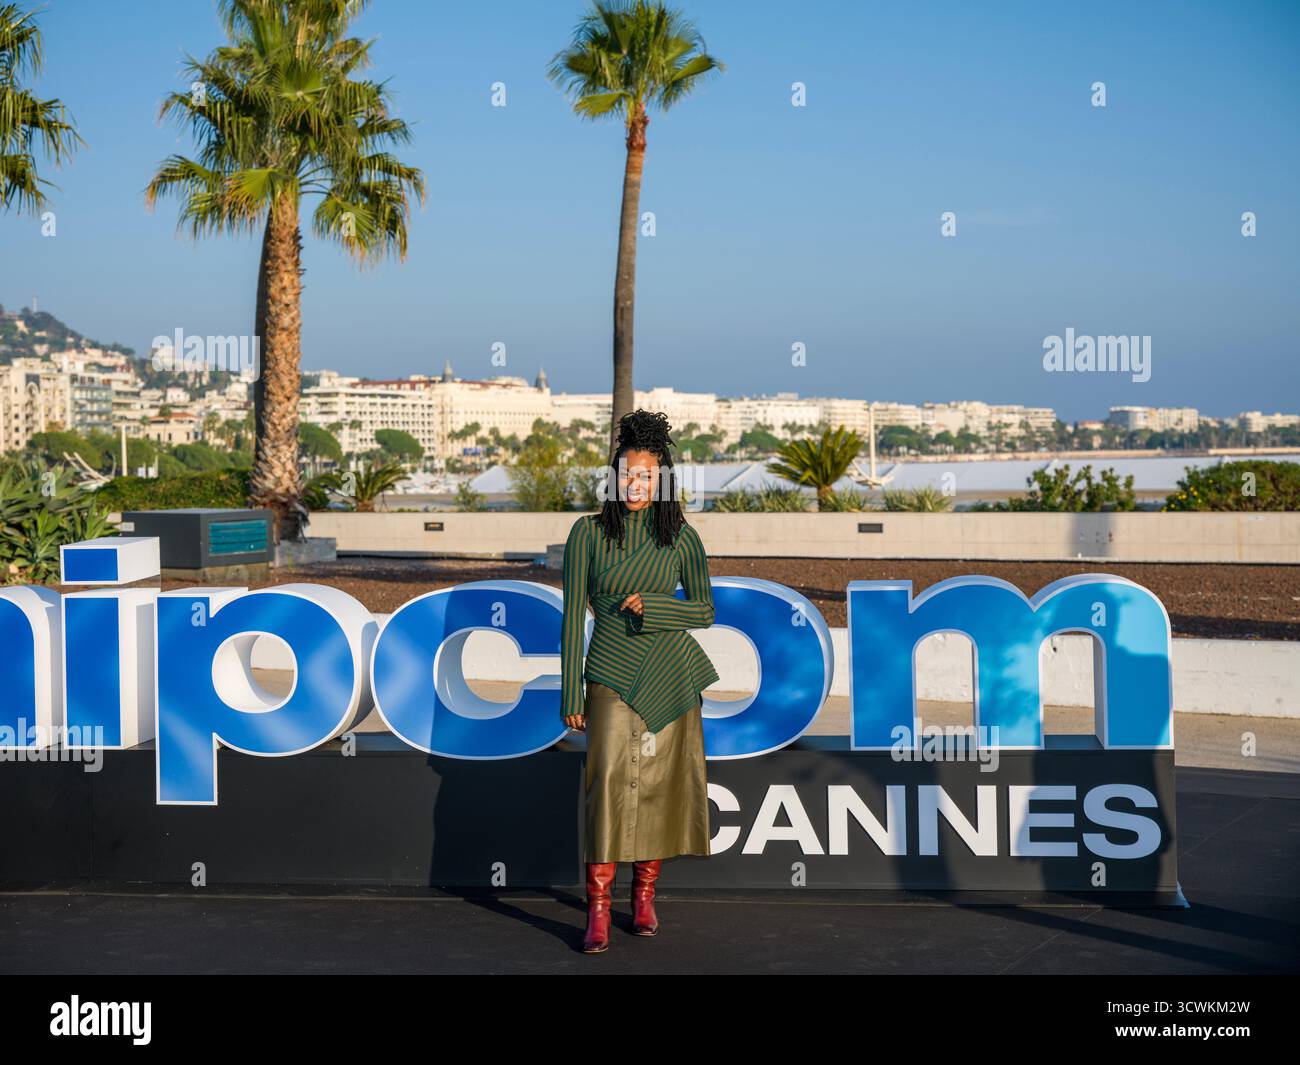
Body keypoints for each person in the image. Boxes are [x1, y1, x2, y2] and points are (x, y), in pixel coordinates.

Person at [560, 409, 719, 953]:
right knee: (605, 785)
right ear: (614, 476)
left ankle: (644, 897)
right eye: (627, 473)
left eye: (647, 475)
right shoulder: (586, 532)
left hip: (670, 674)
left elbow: (703, 611)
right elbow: (570, 617)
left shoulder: (681, 537)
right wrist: (570, 691)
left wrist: (655, 607)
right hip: (609, 668)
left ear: (663, 480)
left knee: (657, 787)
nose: (635, 483)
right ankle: (598, 910)